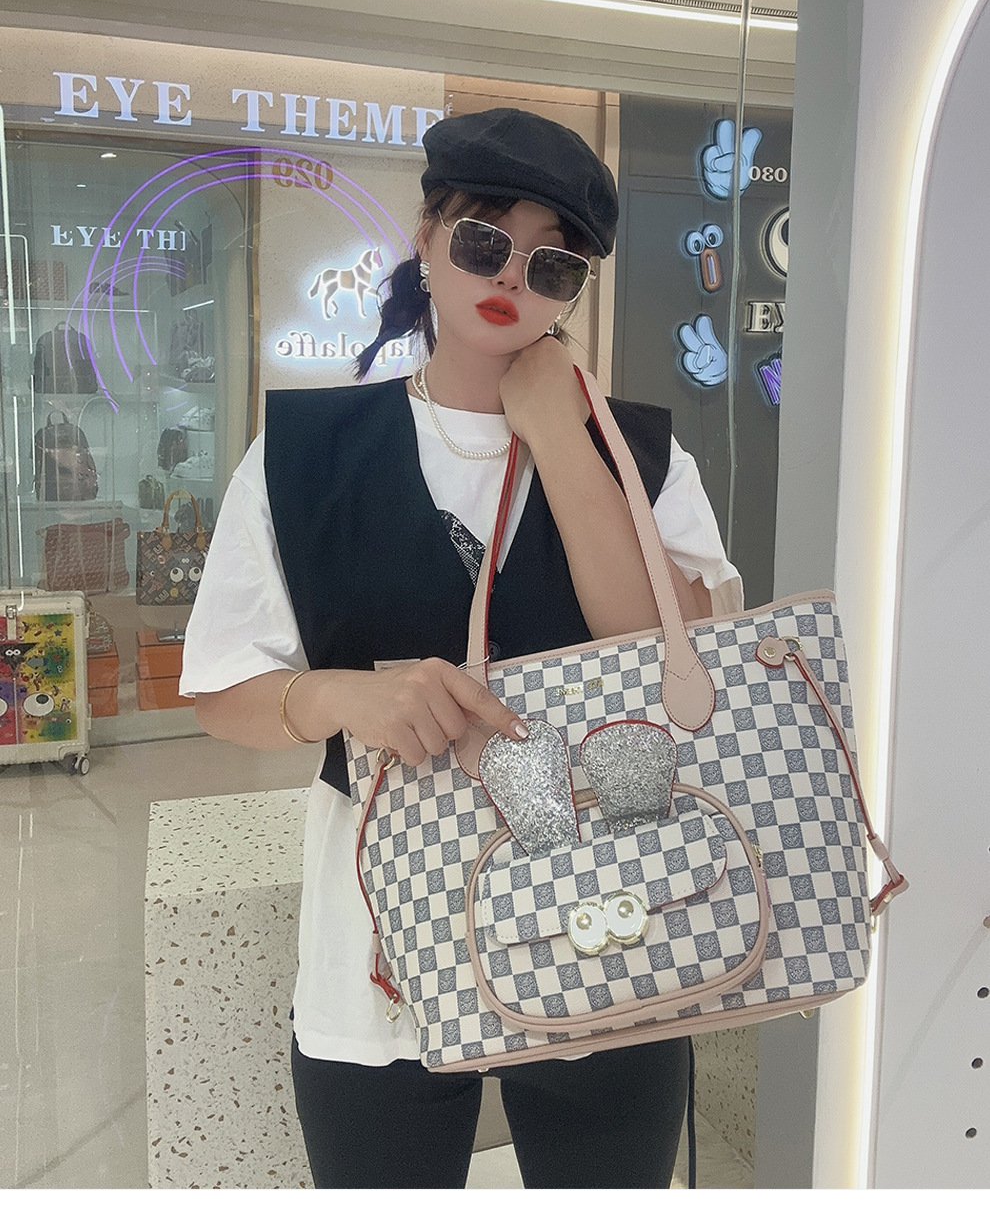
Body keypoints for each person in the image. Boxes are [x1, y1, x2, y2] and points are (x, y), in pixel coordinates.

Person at [180, 107, 743, 1190]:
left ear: (574, 289)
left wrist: (561, 437)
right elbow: (221, 690)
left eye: (552, 263)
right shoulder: (304, 454)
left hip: (615, 910)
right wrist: (340, 697)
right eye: (485, 240)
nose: (511, 278)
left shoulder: (642, 456)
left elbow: (679, 662)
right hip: (380, 936)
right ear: (428, 234)